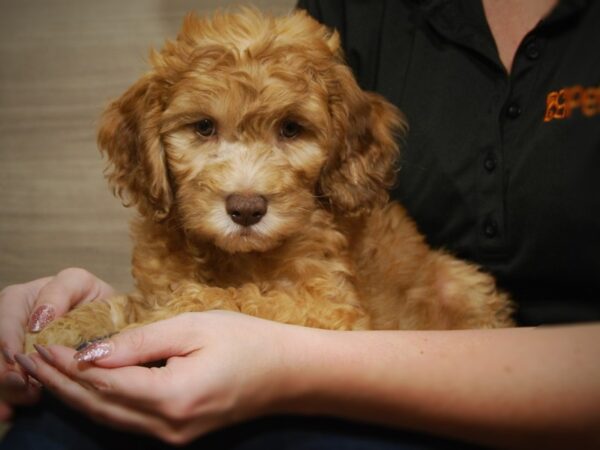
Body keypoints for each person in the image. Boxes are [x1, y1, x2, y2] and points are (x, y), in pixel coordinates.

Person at [1, 0, 599, 448]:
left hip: (419, 381)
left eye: (290, 130)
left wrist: (159, 327)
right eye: (203, 129)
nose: (246, 185)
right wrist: (91, 320)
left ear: (343, 143)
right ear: (147, 144)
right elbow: (196, 317)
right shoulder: (351, 9)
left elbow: (317, 322)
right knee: (43, 425)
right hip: (293, 389)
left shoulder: (326, 236)